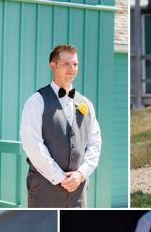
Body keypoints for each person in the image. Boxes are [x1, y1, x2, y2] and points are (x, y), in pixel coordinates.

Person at [20, 44, 102, 208]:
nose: (72, 69)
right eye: (66, 64)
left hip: (78, 190)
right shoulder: (37, 101)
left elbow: (95, 144)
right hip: (44, 188)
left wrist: (80, 174)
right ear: (53, 65)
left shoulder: (86, 104)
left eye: (75, 64)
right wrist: (59, 177)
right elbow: (33, 145)